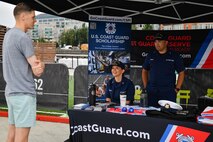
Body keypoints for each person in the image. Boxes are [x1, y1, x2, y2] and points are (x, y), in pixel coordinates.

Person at [2, 2, 45, 142]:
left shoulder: (8, 35)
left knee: (12, 135)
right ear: (23, 16)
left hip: (11, 93)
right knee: (22, 138)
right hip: (23, 94)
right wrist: (42, 64)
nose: (35, 20)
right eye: (33, 17)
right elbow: (37, 70)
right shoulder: (23, 37)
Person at [142, 33, 185, 107]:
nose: (157, 44)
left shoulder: (174, 55)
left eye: (159, 41)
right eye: (155, 41)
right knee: (150, 115)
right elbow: (144, 71)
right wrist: (146, 87)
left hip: (168, 92)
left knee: (168, 115)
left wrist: (177, 89)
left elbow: (181, 72)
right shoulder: (151, 55)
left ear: (166, 42)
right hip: (152, 91)